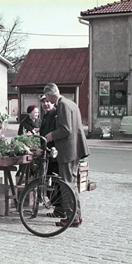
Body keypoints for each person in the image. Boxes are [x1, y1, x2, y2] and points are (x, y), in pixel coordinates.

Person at [43, 83, 90, 227]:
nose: (47, 100)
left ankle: (71, 218)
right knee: (71, 184)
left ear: (50, 95)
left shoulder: (62, 105)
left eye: (47, 97)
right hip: (75, 149)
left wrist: (52, 135)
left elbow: (66, 129)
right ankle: (76, 216)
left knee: (66, 185)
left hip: (68, 150)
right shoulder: (71, 103)